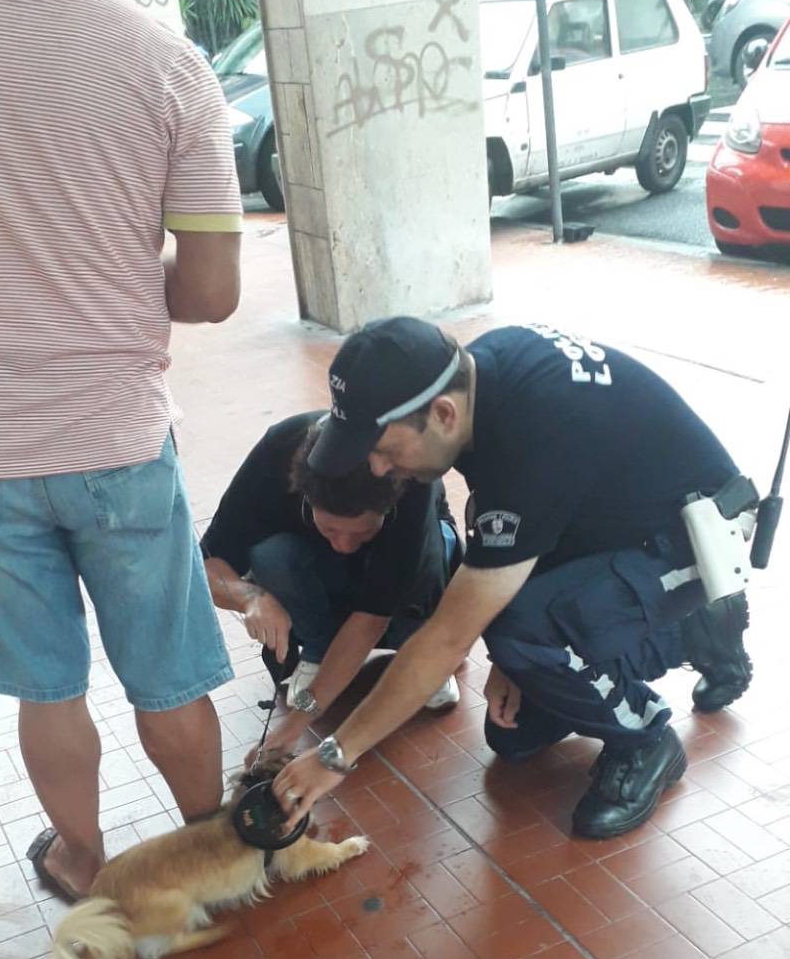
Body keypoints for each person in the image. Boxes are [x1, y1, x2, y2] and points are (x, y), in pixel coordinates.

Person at [0, 0, 243, 902]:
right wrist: (116, 288)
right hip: (118, 437)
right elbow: (214, 291)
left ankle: (82, 859)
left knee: (48, 688)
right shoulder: (167, 60)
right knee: (170, 674)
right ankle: (210, 858)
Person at [272, 318, 753, 839]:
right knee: (516, 736)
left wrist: (336, 755)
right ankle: (693, 631)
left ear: (443, 414)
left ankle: (647, 738)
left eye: (387, 450)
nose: (381, 469)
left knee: (522, 630)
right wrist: (515, 664)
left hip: (690, 537)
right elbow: (521, 528)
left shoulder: (534, 430)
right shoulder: (478, 380)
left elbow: (448, 636)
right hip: (606, 527)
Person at [200, 412, 462, 760]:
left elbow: (371, 618)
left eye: (363, 532)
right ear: (305, 497)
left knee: (429, 558)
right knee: (268, 552)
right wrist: (251, 598)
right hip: (323, 573)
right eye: (330, 529)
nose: (344, 545)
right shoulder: (278, 451)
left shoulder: (410, 473)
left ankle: (419, 645)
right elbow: (207, 564)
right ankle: (318, 650)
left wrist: (296, 723)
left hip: (406, 576)